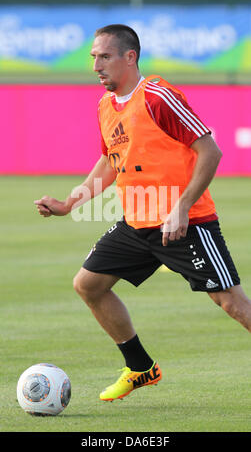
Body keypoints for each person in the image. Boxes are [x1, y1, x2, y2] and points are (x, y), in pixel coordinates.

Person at [34, 24, 251, 403]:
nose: (96, 66)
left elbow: (210, 151)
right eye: (93, 58)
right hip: (137, 223)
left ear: (129, 57)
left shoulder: (158, 96)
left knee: (232, 304)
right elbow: (109, 162)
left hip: (187, 224)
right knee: (88, 285)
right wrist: (70, 204)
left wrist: (181, 208)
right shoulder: (105, 105)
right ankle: (140, 368)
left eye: (104, 57)